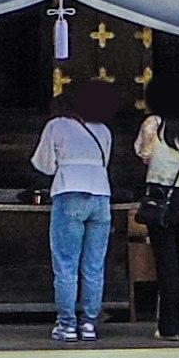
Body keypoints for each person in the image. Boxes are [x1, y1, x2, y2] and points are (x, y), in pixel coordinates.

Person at [32, 79, 120, 342]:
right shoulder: (103, 129)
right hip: (101, 195)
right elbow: (105, 161)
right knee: (94, 265)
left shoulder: (56, 126)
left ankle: (67, 324)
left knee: (66, 263)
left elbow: (44, 164)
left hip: (69, 191)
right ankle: (90, 323)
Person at [133, 86, 179, 343]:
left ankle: (168, 326)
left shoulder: (154, 124)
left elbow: (143, 154)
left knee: (167, 264)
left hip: (161, 196)